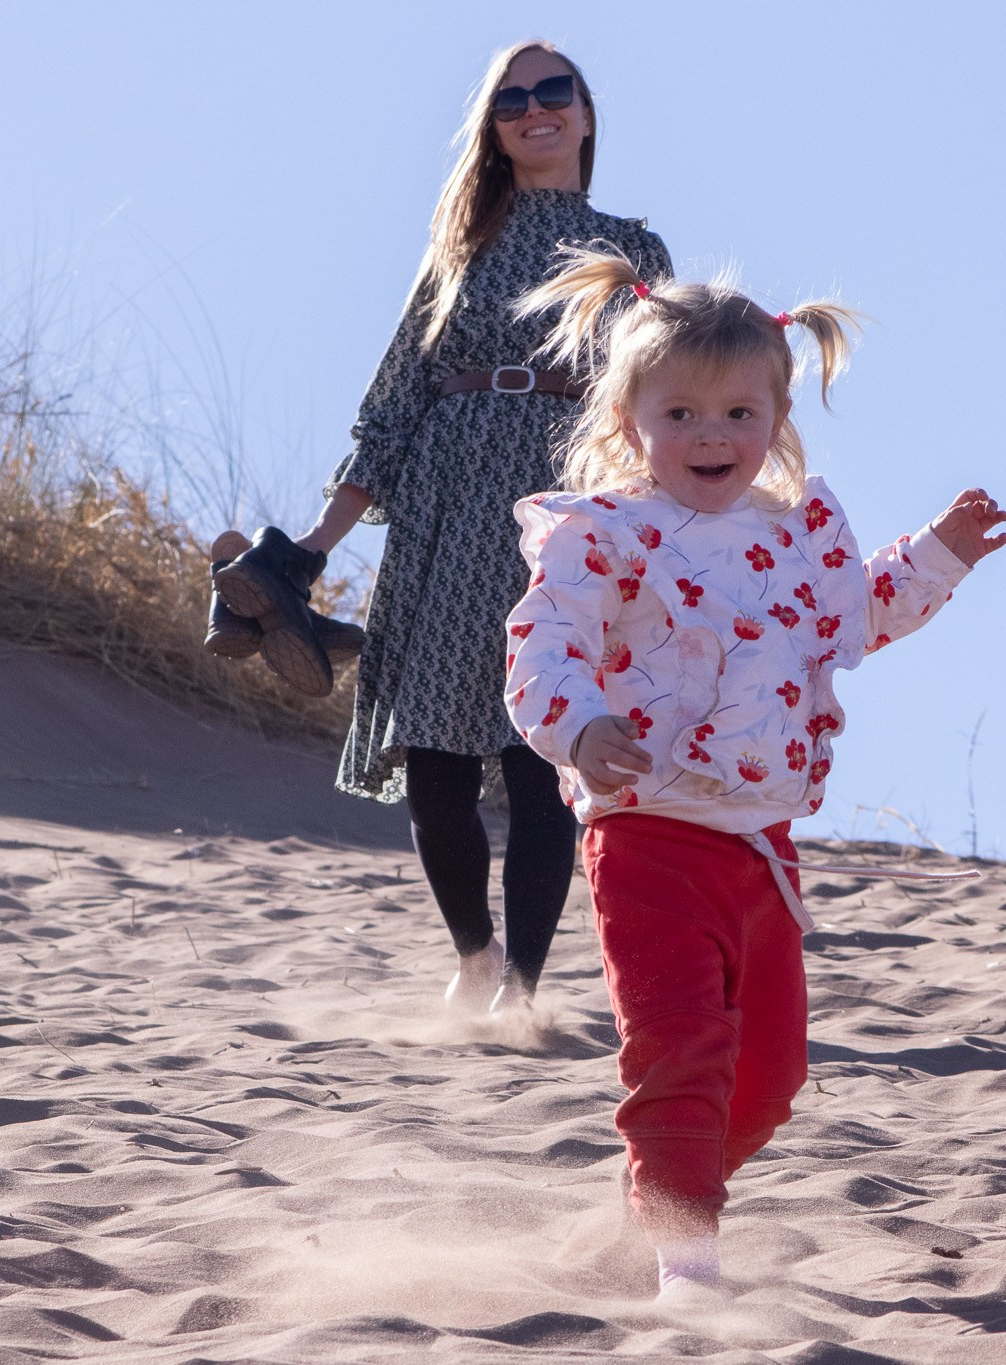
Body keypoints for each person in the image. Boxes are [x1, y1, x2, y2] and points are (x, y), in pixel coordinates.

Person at [502, 247, 1006, 1302]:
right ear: (626, 418)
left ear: (776, 421)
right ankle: (687, 1262)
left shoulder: (793, 540)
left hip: (759, 849)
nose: (710, 436)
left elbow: (860, 613)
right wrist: (581, 723)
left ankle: (657, 1209)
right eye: (679, 411)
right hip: (644, 832)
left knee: (769, 1080)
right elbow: (542, 641)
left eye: (739, 413)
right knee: (678, 1044)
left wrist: (942, 555)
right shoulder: (605, 535)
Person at [210, 42, 670, 1014]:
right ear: (492, 126)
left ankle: (527, 987)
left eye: (554, 92)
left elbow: (666, 397)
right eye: (512, 98)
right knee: (433, 754)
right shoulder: (457, 250)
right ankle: (473, 957)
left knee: (539, 745)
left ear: (585, 115)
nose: (533, 108)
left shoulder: (632, 249)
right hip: (444, 498)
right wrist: (310, 548)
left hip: (567, 498)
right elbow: (392, 403)